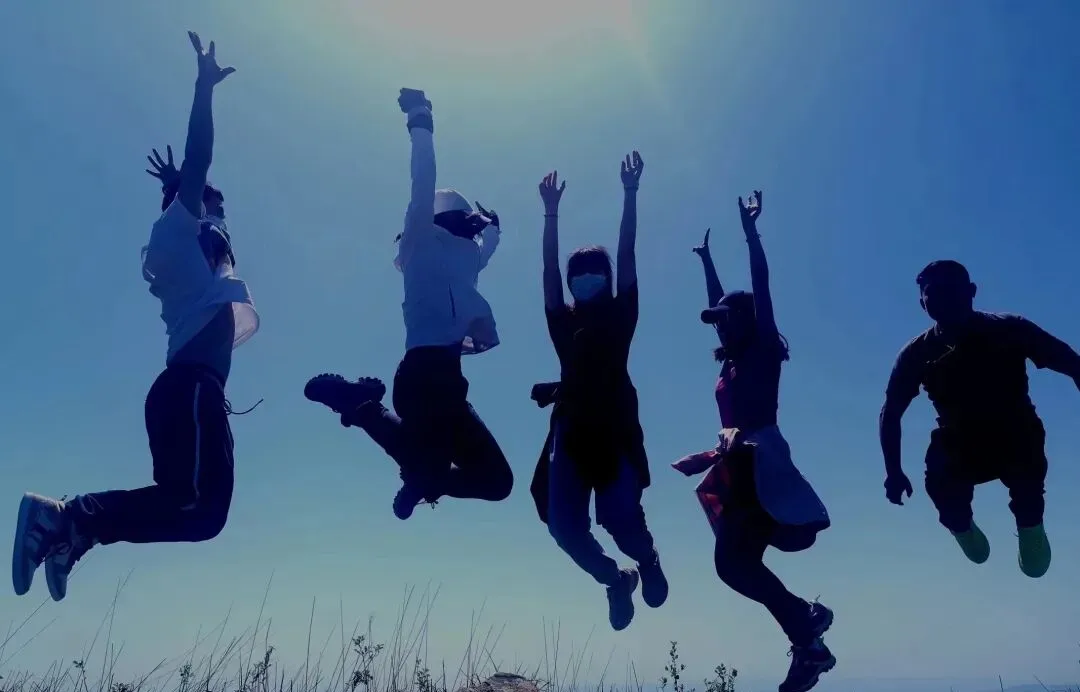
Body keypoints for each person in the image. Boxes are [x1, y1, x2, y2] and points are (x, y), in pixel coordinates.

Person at [12, 33, 258, 603]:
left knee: (199, 514)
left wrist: (183, 188)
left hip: (191, 393)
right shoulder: (176, 235)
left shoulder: (201, 255)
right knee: (201, 510)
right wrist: (203, 89)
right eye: (214, 204)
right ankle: (68, 517)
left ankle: (76, 531)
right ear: (190, 204)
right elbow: (200, 162)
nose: (221, 213)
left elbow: (209, 208)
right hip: (189, 390)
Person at [305, 88, 512, 520]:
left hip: (449, 382)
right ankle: (364, 410)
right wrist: (420, 120)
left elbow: (487, 246)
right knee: (430, 467)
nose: (467, 231)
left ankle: (400, 450)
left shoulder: (467, 258)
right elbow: (423, 183)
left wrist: (495, 227)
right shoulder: (420, 240)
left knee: (497, 482)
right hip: (421, 377)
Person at [672, 192, 834, 692]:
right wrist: (706, 261)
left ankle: (807, 629)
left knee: (732, 564)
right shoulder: (731, 361)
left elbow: (760, 289)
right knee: (735, 565)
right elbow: (721, 304)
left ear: (749, 320)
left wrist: (750, 234)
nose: (721, 324)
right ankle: (807, 631)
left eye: (728, 318)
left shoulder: (763, 350)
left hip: (760, 461)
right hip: (738, 465)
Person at [529, 154, 669, 633]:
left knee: (620, 519)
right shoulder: (561, 320)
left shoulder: (621, 313)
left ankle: (646, 560)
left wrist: (630, 194)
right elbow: (548, 269)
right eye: (578, 273)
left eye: (594, 271)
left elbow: (627, 252)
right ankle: (616, 580)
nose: (584, 277)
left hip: (615, 428)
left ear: (607, 280)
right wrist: (550, 213)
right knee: (564, 528)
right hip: (571, 431)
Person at [880, 259, 1080, 577]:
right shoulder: (917, 353)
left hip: (1015, 432)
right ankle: (961, 526)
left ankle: (1030, 526)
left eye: (952, 290)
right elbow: (890, 413)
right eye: (933, 292)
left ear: (971, 291)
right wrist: (893, 472)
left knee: (1026, 470)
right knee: (940, 480)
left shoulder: (1009, 328)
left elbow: (1072, 362)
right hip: (959, 441)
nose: (944, 298)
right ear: (922, 303)